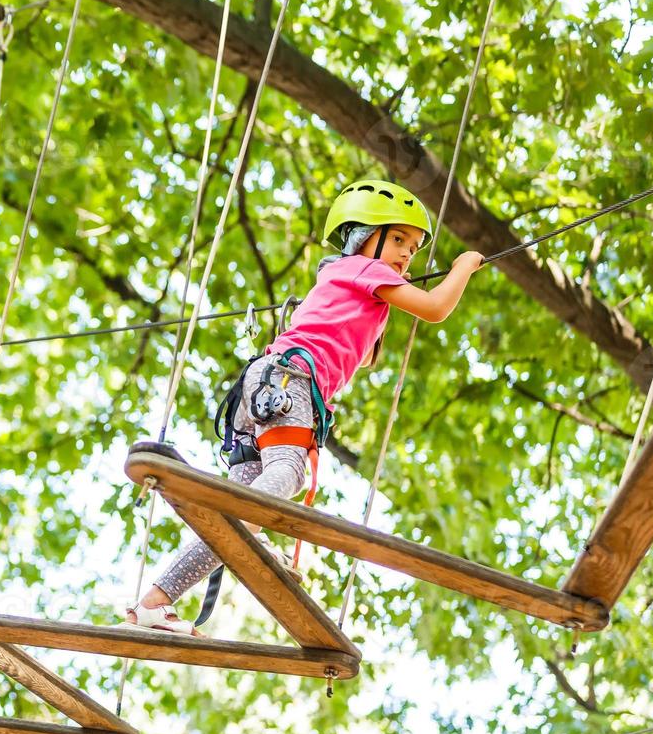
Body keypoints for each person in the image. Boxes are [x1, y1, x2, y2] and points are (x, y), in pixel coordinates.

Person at [127, 180, 485, 635]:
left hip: (264, 389)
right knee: (286, 476)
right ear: (363, 237)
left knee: (241, 503)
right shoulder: (363, 269)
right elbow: (435, 308)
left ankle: (155, 602)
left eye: (412, 249)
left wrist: (392, 294)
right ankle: (249, 529)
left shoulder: (352, 279)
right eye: (397, 240)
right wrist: (463, 267)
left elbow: (367, 354)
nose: (406, 255)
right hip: (288, 384)